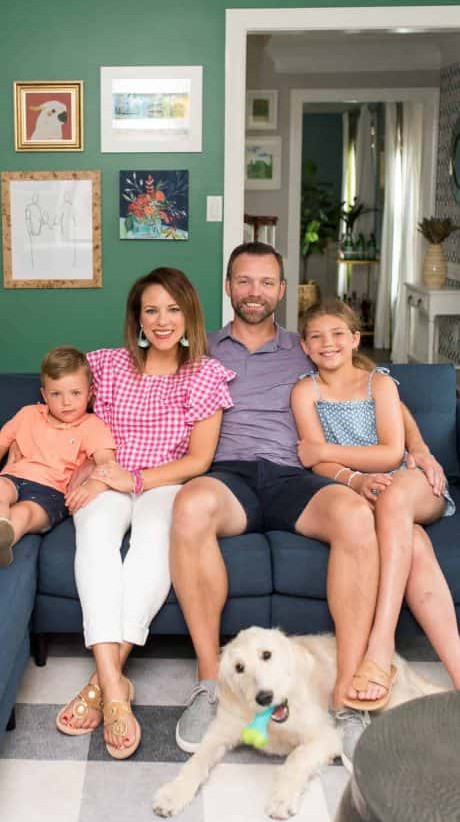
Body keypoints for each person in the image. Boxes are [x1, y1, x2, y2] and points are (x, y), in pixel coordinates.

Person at [169, 242, 446, 767]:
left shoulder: (306, 345)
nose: (255, 292)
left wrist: (421, 448)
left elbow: (380, 387)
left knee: (356, 517)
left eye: (266, 282)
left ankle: (346, 701)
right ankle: (209, 683)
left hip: (297, 477)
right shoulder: (200, 349)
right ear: (228, 287)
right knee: (189, 507)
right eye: (244, 281)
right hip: (228, 476)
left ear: (281, 290)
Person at [56, 267, 234, 759]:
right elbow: (66, 416)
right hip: (107, 478)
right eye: (151, 310)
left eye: (173, 309)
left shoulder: (203, 374)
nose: (162, 320)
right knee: (95, 539)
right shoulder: (106, 366)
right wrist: (87, 468)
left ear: (190, 316)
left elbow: (199, 460)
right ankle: (116, 689)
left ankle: (103, 682)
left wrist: (134, 480)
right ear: (136, 318)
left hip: (163, 482)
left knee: (155, 543)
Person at [292, 298, 459, 706]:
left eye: (336, 334)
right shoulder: (305, 392)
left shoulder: (378, 384)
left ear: (354, 339)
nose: (327, 344)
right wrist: (352, 476)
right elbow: (318, 466)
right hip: (366, 490)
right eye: (316, 337)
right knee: (415, 546)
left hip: (411, 484)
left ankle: (380, 644)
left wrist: (322, 450)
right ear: (304, 346)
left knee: (396, 497)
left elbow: (389, 453)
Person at [0, 346, 115, 575]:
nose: (66, 402)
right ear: (44, 395)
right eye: (56, 394)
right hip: (14, 477)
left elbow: (106, 461)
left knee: (26, 514)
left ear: (90, 393)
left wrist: (93, 483)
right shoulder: (28, 414)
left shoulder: (92, 426)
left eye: (75, 393)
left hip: (52, 493)